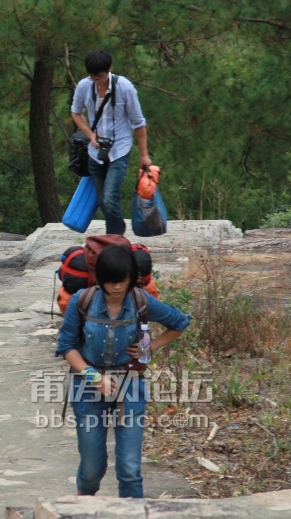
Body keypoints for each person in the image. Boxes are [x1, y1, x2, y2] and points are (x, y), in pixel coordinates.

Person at [55, 245, 189, 498]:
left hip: (130, 387)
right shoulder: (81, 301)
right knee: (91, 470)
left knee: (129, 469)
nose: (117, 287)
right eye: (111, 281)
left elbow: (180, 323)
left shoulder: (140, 300)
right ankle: (83, 504)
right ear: (100, 279)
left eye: (123, 281)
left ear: (131, 278)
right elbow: (66, 347)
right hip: (88, 389)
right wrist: (94, 377)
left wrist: (148, 348)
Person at [71, 49, 152, 235]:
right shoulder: (84, 86)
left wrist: (144, 154)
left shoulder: (124, 87)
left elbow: (138, 122)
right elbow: (76, 112)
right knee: (102, 200)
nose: (97, 81)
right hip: (94, 151)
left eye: (100, 77)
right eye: (93, 78)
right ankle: (114, 236)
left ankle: (115, 239)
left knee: (110, 198)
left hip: (119, 149)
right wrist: (89, 134)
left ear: (109, 69)